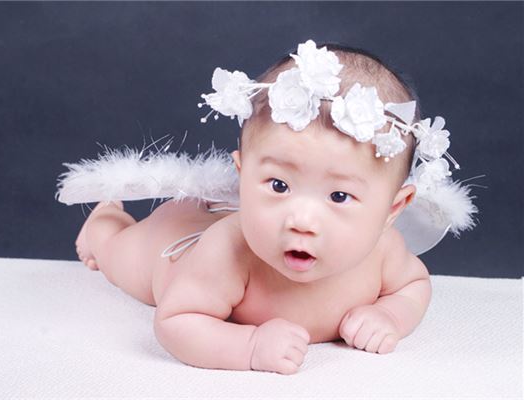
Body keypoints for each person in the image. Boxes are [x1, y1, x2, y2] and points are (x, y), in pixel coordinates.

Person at [70, 40, 469, 375]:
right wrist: (250, 346)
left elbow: (413, 286)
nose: (302, 220)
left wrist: (391, 316)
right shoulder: (226, 253)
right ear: (242, 176)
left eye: (339, 197)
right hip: (170, 247)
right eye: (279, 186)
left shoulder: (383, 252)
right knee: (120, 254)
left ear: (392, 209)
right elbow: (176, 321)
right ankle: (104, 221)